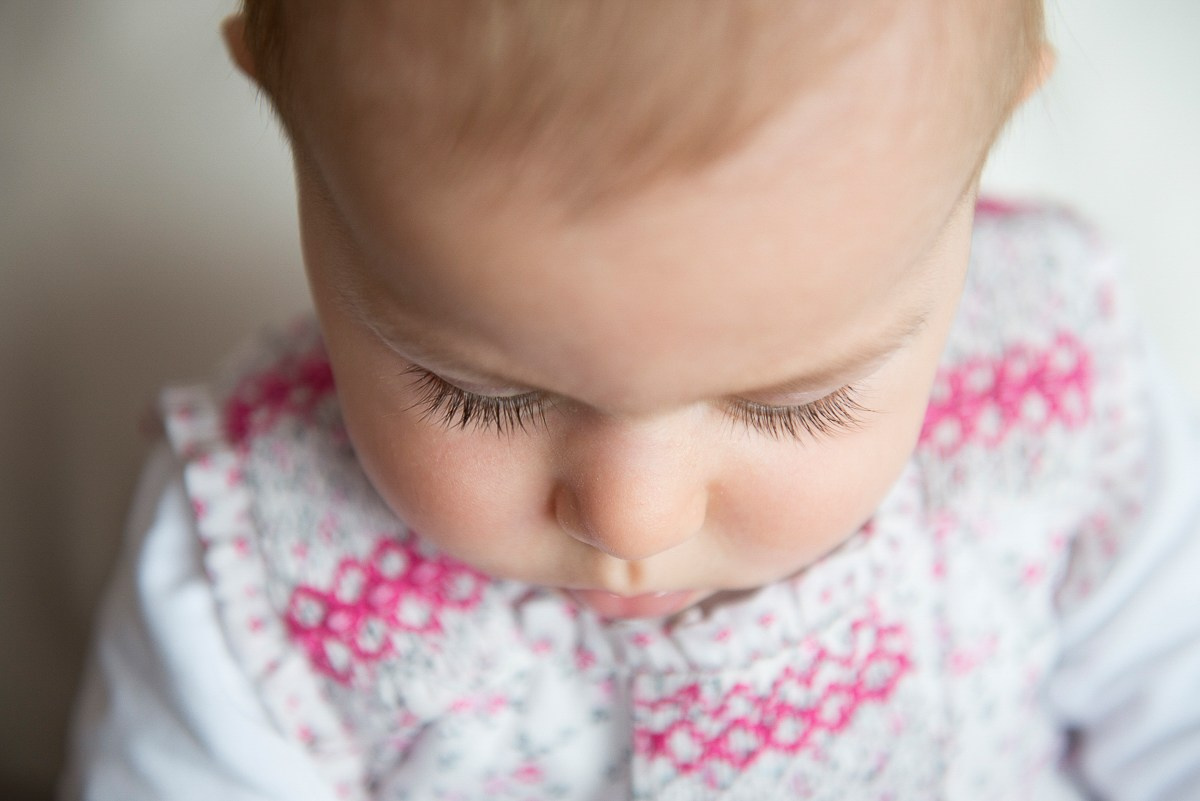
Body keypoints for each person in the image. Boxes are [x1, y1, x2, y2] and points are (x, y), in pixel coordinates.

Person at [62, 1, 1200, 799]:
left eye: (791, 405)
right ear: (294, 129)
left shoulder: (1056, 394)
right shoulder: (256, 575)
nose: (633, 523)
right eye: (482, 397)